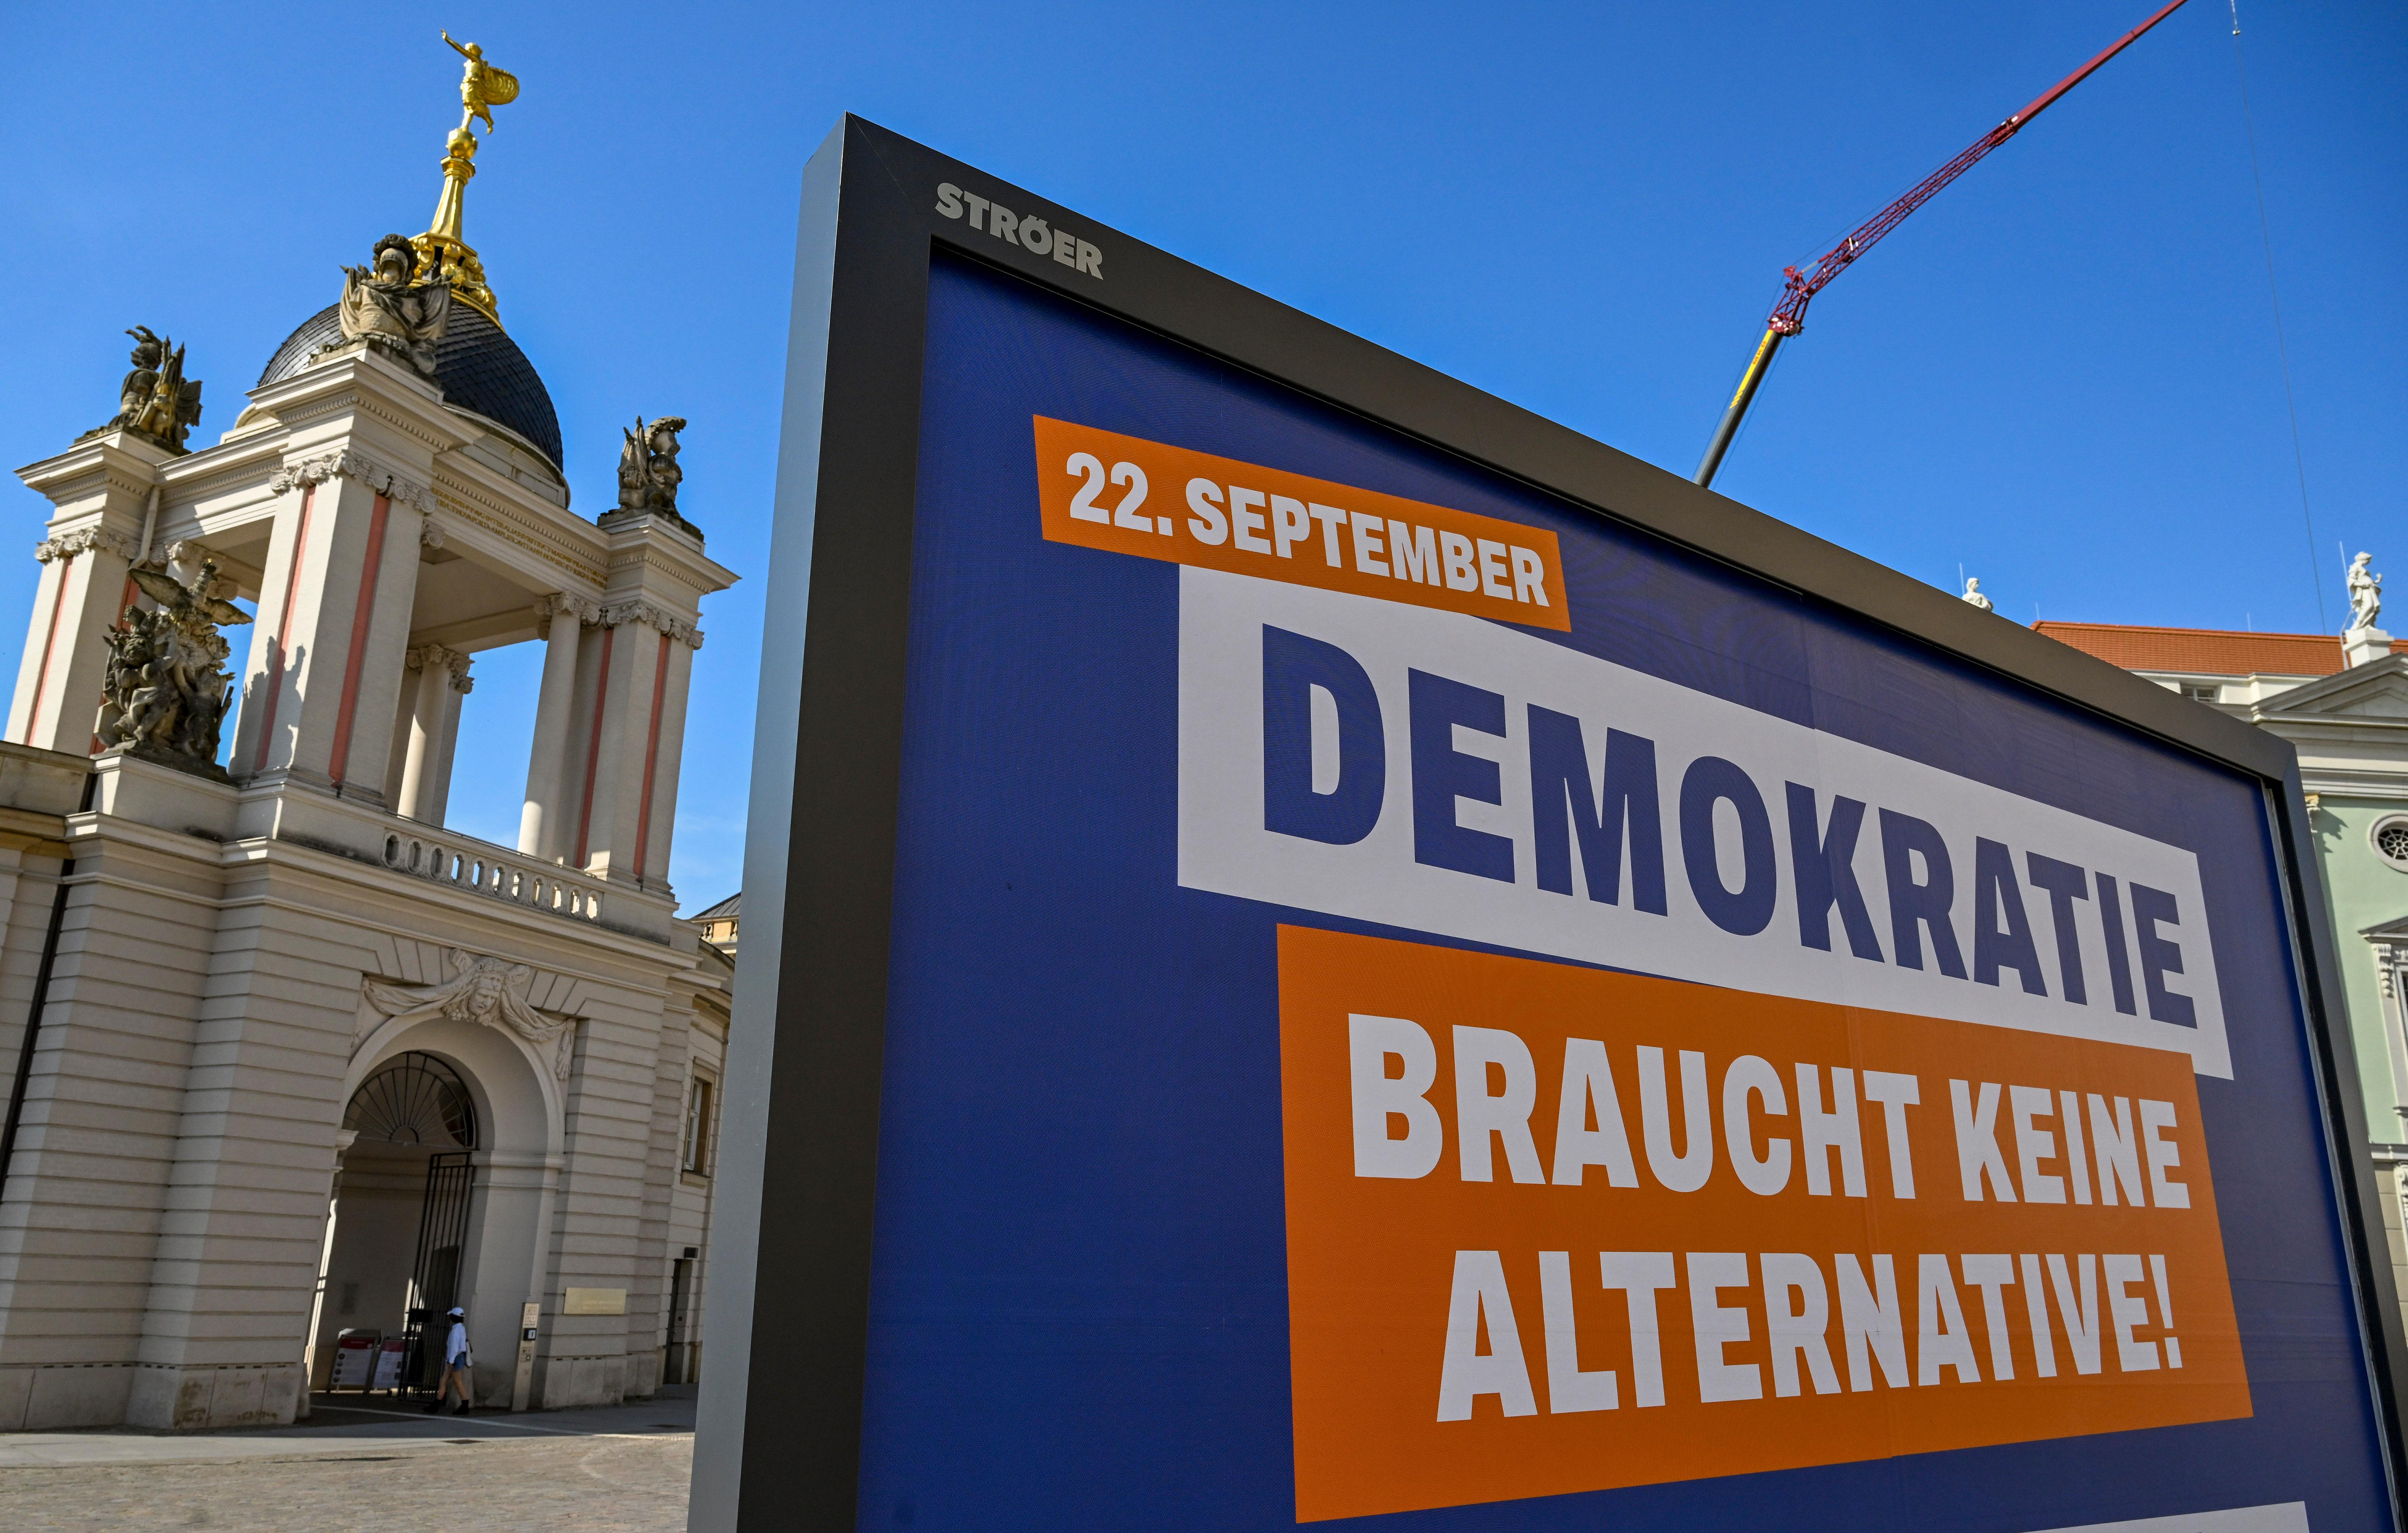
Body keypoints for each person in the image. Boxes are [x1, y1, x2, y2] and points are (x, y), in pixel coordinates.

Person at [427, 1306, 475, 1414]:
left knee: (457, 1383)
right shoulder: (461, 1328)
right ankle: (435, 1406)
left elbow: (454, 1347)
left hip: (455, 1359)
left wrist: (451, 1361)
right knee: (445, 1382)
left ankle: (464, 1406)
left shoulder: (456, 1330)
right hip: (458, 1358)